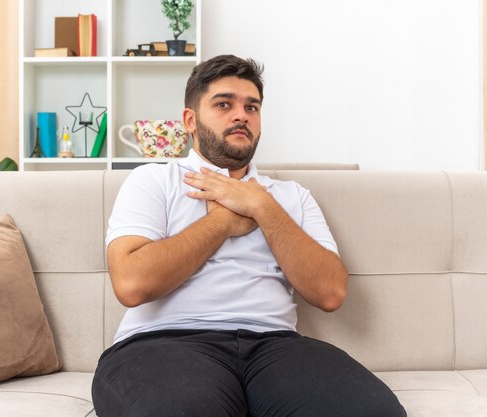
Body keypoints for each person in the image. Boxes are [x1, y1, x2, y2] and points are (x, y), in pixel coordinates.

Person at [92, 55, 407, 417]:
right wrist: (222, 222)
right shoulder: (154, 181)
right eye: (224, 104)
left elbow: (331, 293)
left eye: (251, 107)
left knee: (374, 411)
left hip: (274, 347)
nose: (241, 115)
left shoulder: (291, 197)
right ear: (189, 121)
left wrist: (262, 207)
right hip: (163, 343)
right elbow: (132, 284)